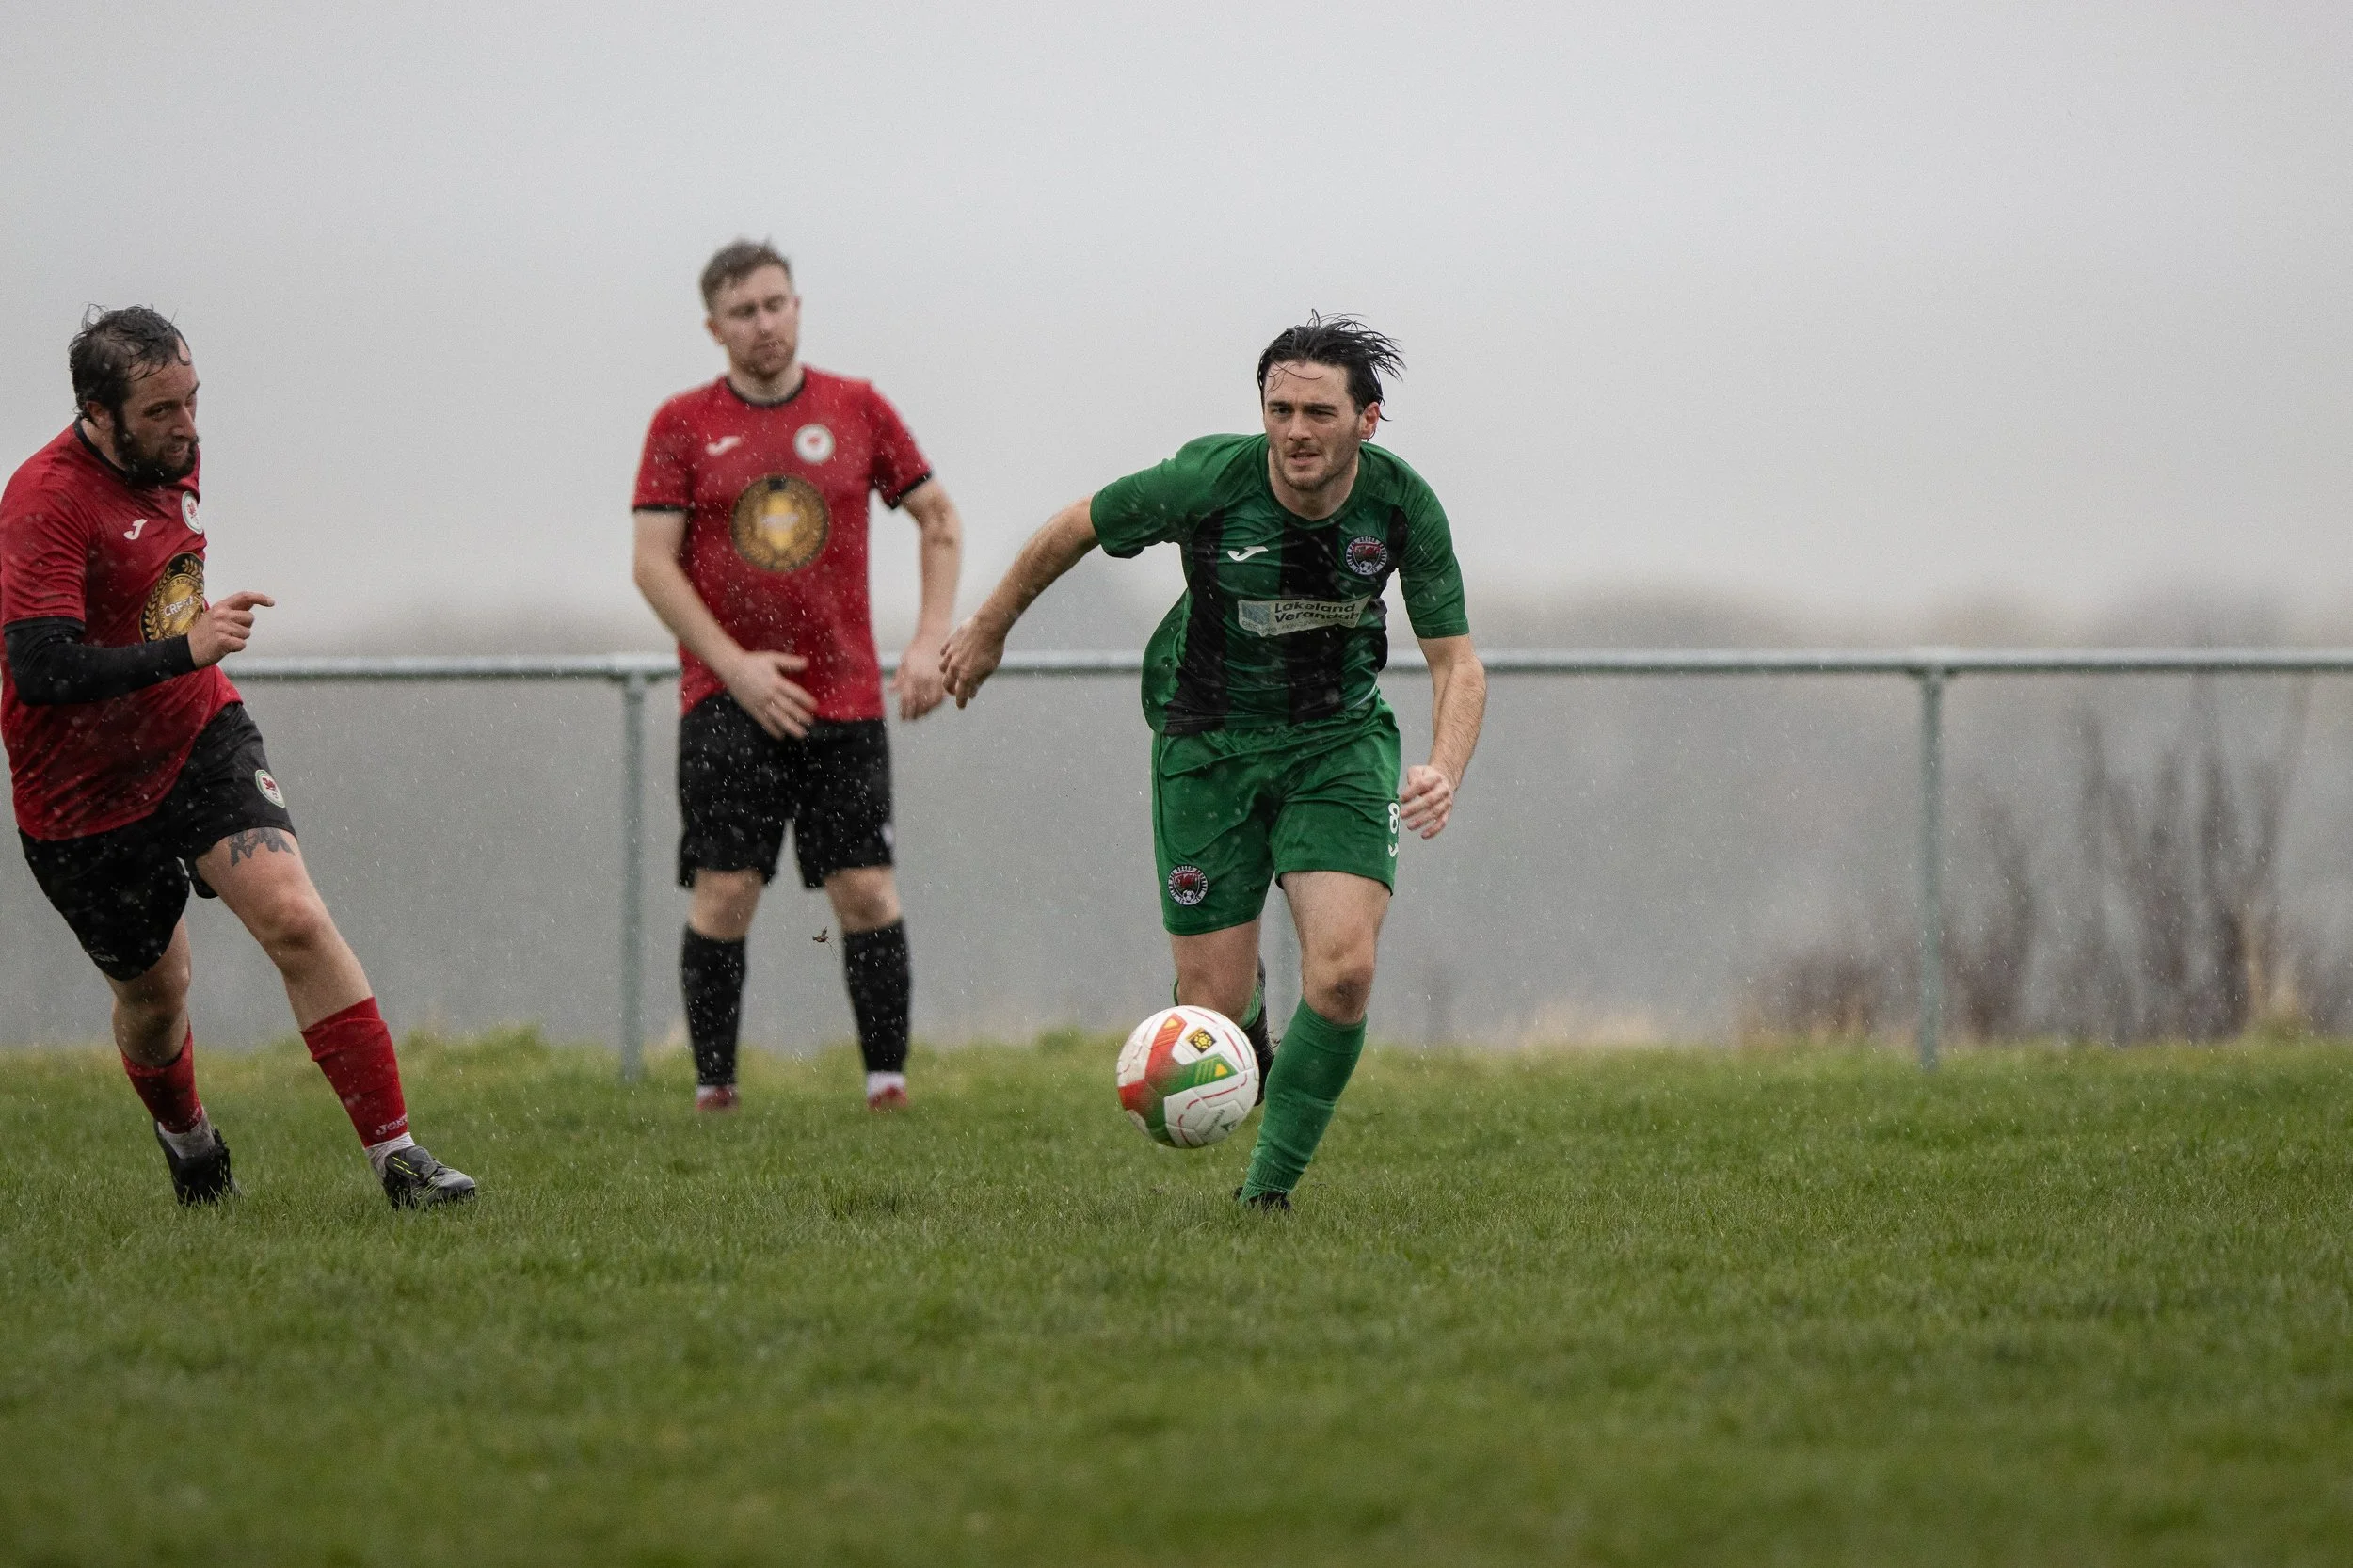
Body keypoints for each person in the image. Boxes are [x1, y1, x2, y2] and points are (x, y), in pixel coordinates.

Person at [942, 314, 1486, 1208]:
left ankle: (1266, 1195)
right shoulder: (1206, 479)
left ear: (1368, 420)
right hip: (1206, 744)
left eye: (1319, 411)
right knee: (1210, 1010)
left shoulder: (1400, 505)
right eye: (1280, 409)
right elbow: (1079, 523)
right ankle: (1249, 1020)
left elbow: (1456, 661)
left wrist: (1444, 764)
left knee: (1345, 972)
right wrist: (992, 624)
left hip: (1336, 745)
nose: (1296, 431)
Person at [0, 307, 476, 1208]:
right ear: (98, 415)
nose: (187, 427)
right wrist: (187, 647)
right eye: (160, 411)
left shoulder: (170, 455)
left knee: (295, 916)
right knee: (157, 995)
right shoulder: (44, 503)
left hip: (195, 736)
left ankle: (399, 1158)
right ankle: (188, 1140)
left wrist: (189, 663)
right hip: (81, 795)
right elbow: (41, 667)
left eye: (192, 400)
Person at [632, 241, 963, 1112]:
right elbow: (652, 564)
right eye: (744, 312)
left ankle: (887, 1087)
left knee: (864, 889)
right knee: (726, 889)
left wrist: (930, 640)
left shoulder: (856, 408)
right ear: (714, 327)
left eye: (776, 304)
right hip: (727, 698)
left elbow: (938, 518)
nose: (765, 324)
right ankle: (715, 1090)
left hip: (844, 697)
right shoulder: (681, 423)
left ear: (799, 305)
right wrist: (734, 666)